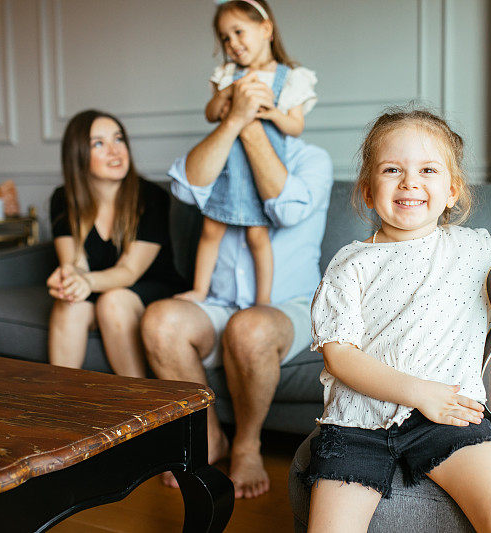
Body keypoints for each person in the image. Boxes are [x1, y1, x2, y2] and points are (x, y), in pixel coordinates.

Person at [303, 108, 491, 532]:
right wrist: (420, 392)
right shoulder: (350, 264)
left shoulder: (475, 250)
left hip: (448, 417)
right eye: (392, 169)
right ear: (367, 190)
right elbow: (339, 357)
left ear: (452, 191)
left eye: (427, 170)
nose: (410, 182)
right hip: (357, 421)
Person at [141, 39, 332, 497]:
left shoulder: (313, 160)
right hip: (220, 304)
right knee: (159, 319)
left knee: (250, 328)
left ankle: (247, 443)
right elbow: (186, 188)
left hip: (285, 308)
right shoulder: (221, 154)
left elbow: (281, 210)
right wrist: (232, 121)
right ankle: (209, 434)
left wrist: (250, 126)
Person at [177, 0, 318, 306]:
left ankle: (263, 300)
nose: (233, 43)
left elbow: (296, 126)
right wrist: (227, 93)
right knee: (211, 229)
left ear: (266, 29)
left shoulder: (291, 78)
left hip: (260, 172)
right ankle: (200, 290)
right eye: (225, 37)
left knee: (257, 237)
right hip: (228, 167)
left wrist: (272, 113)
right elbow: (212, 113)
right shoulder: (227, 74)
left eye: (239, 32)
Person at [48, 110, 185, 377]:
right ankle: (58, 407)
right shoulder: (63, 198)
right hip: (99, 286)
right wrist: (67, 278)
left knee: (113, 302)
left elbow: (130, 272)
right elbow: (74, 264)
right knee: (68, 304)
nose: (114, 151)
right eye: (98, 143)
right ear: (78, 155)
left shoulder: (151, 196)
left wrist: (85, 282)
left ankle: (138, 408)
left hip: (149, 288)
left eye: (118, 139)